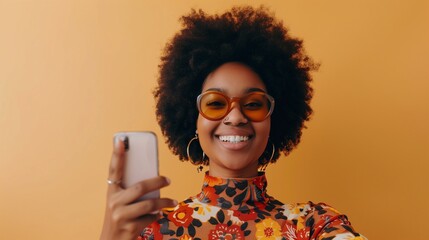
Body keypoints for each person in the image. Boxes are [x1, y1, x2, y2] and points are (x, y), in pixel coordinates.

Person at [100, 6, 367, 240]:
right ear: (191, 119)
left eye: (253, 104)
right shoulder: (150, 229)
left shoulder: (314, 225)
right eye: (215, 103)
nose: (236, 117)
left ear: (274, 119)